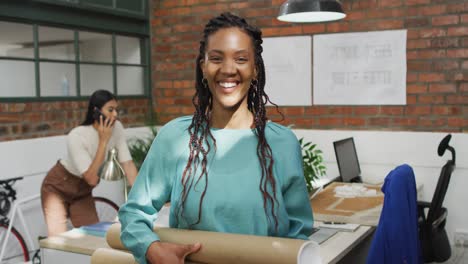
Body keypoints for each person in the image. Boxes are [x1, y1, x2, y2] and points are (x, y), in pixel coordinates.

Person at [119, 12, 314, 264]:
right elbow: (134, 213)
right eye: (216, 58)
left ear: (255, 69)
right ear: (203, 67)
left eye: (241, 59)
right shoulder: (175, 138)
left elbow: (298, 232)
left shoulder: (283, 143)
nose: (228, 69)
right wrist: (152, 249)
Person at [41, 89, 138, 236]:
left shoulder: (116, 128)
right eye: (110, 110)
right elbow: (92, 178)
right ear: (96, 111)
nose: (115, 115)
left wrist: (142, 198)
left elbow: (128, 164)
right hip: (58, 187)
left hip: (82, 190)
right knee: (58, 241)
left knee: (93, 237)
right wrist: (103, 141)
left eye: (116, 110)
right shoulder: (77, 135)